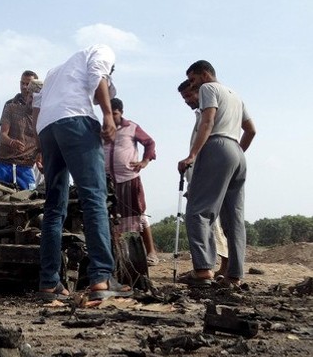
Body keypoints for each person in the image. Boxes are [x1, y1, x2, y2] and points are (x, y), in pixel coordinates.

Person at [33, 44, 133, 301]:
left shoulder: (56, 72)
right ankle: (101, 276)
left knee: (54, 206)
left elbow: (36, 103)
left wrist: (40, 142)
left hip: (48, 128)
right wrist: (108, 115)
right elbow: (97, 75)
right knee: (94, 198)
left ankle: (49, 282)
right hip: (76, 120)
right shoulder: (102, 49)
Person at [177, 63, 255, 288]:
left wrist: (192, 155)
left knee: (197, 211)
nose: (192, 85)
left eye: (192, 80)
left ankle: (202, 269)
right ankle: (234, 275)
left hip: (217, 146)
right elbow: (251, 130)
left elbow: (208, 121)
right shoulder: (235, 96)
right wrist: (235, 152)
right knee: (234, 219)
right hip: (237, 152)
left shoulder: (208, 88)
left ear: (205, 74)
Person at [178, 80, 229, 277]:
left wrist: (191, 158)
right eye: (184, 98)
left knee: (206, 220)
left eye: (189, 95)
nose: (187, 100)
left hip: (208, 171)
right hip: (202, 173)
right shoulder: (201, 114)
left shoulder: (209, 113)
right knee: (212, 221)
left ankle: (208, 268)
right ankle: (214, 266)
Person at [103, 98, 159, 266]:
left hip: (129, 177)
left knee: (139, 214)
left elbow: (149, 143)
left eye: (115, 114)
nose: (112, 118)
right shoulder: (102, 130)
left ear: (121, 112)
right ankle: (117, 254)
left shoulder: (131, 127)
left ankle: (151, 252)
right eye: (109, 114)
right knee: (111, 216)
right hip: (108, 182)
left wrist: (145, 161)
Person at [0, 70, 42, 190]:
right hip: (4, 163)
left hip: (27, 166)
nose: (24, 87)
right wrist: (12, 142)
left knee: (31, 199)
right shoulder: (11, 106)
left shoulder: (43, 113)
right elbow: (3, 134)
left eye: (28, 84)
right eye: (22, 83)